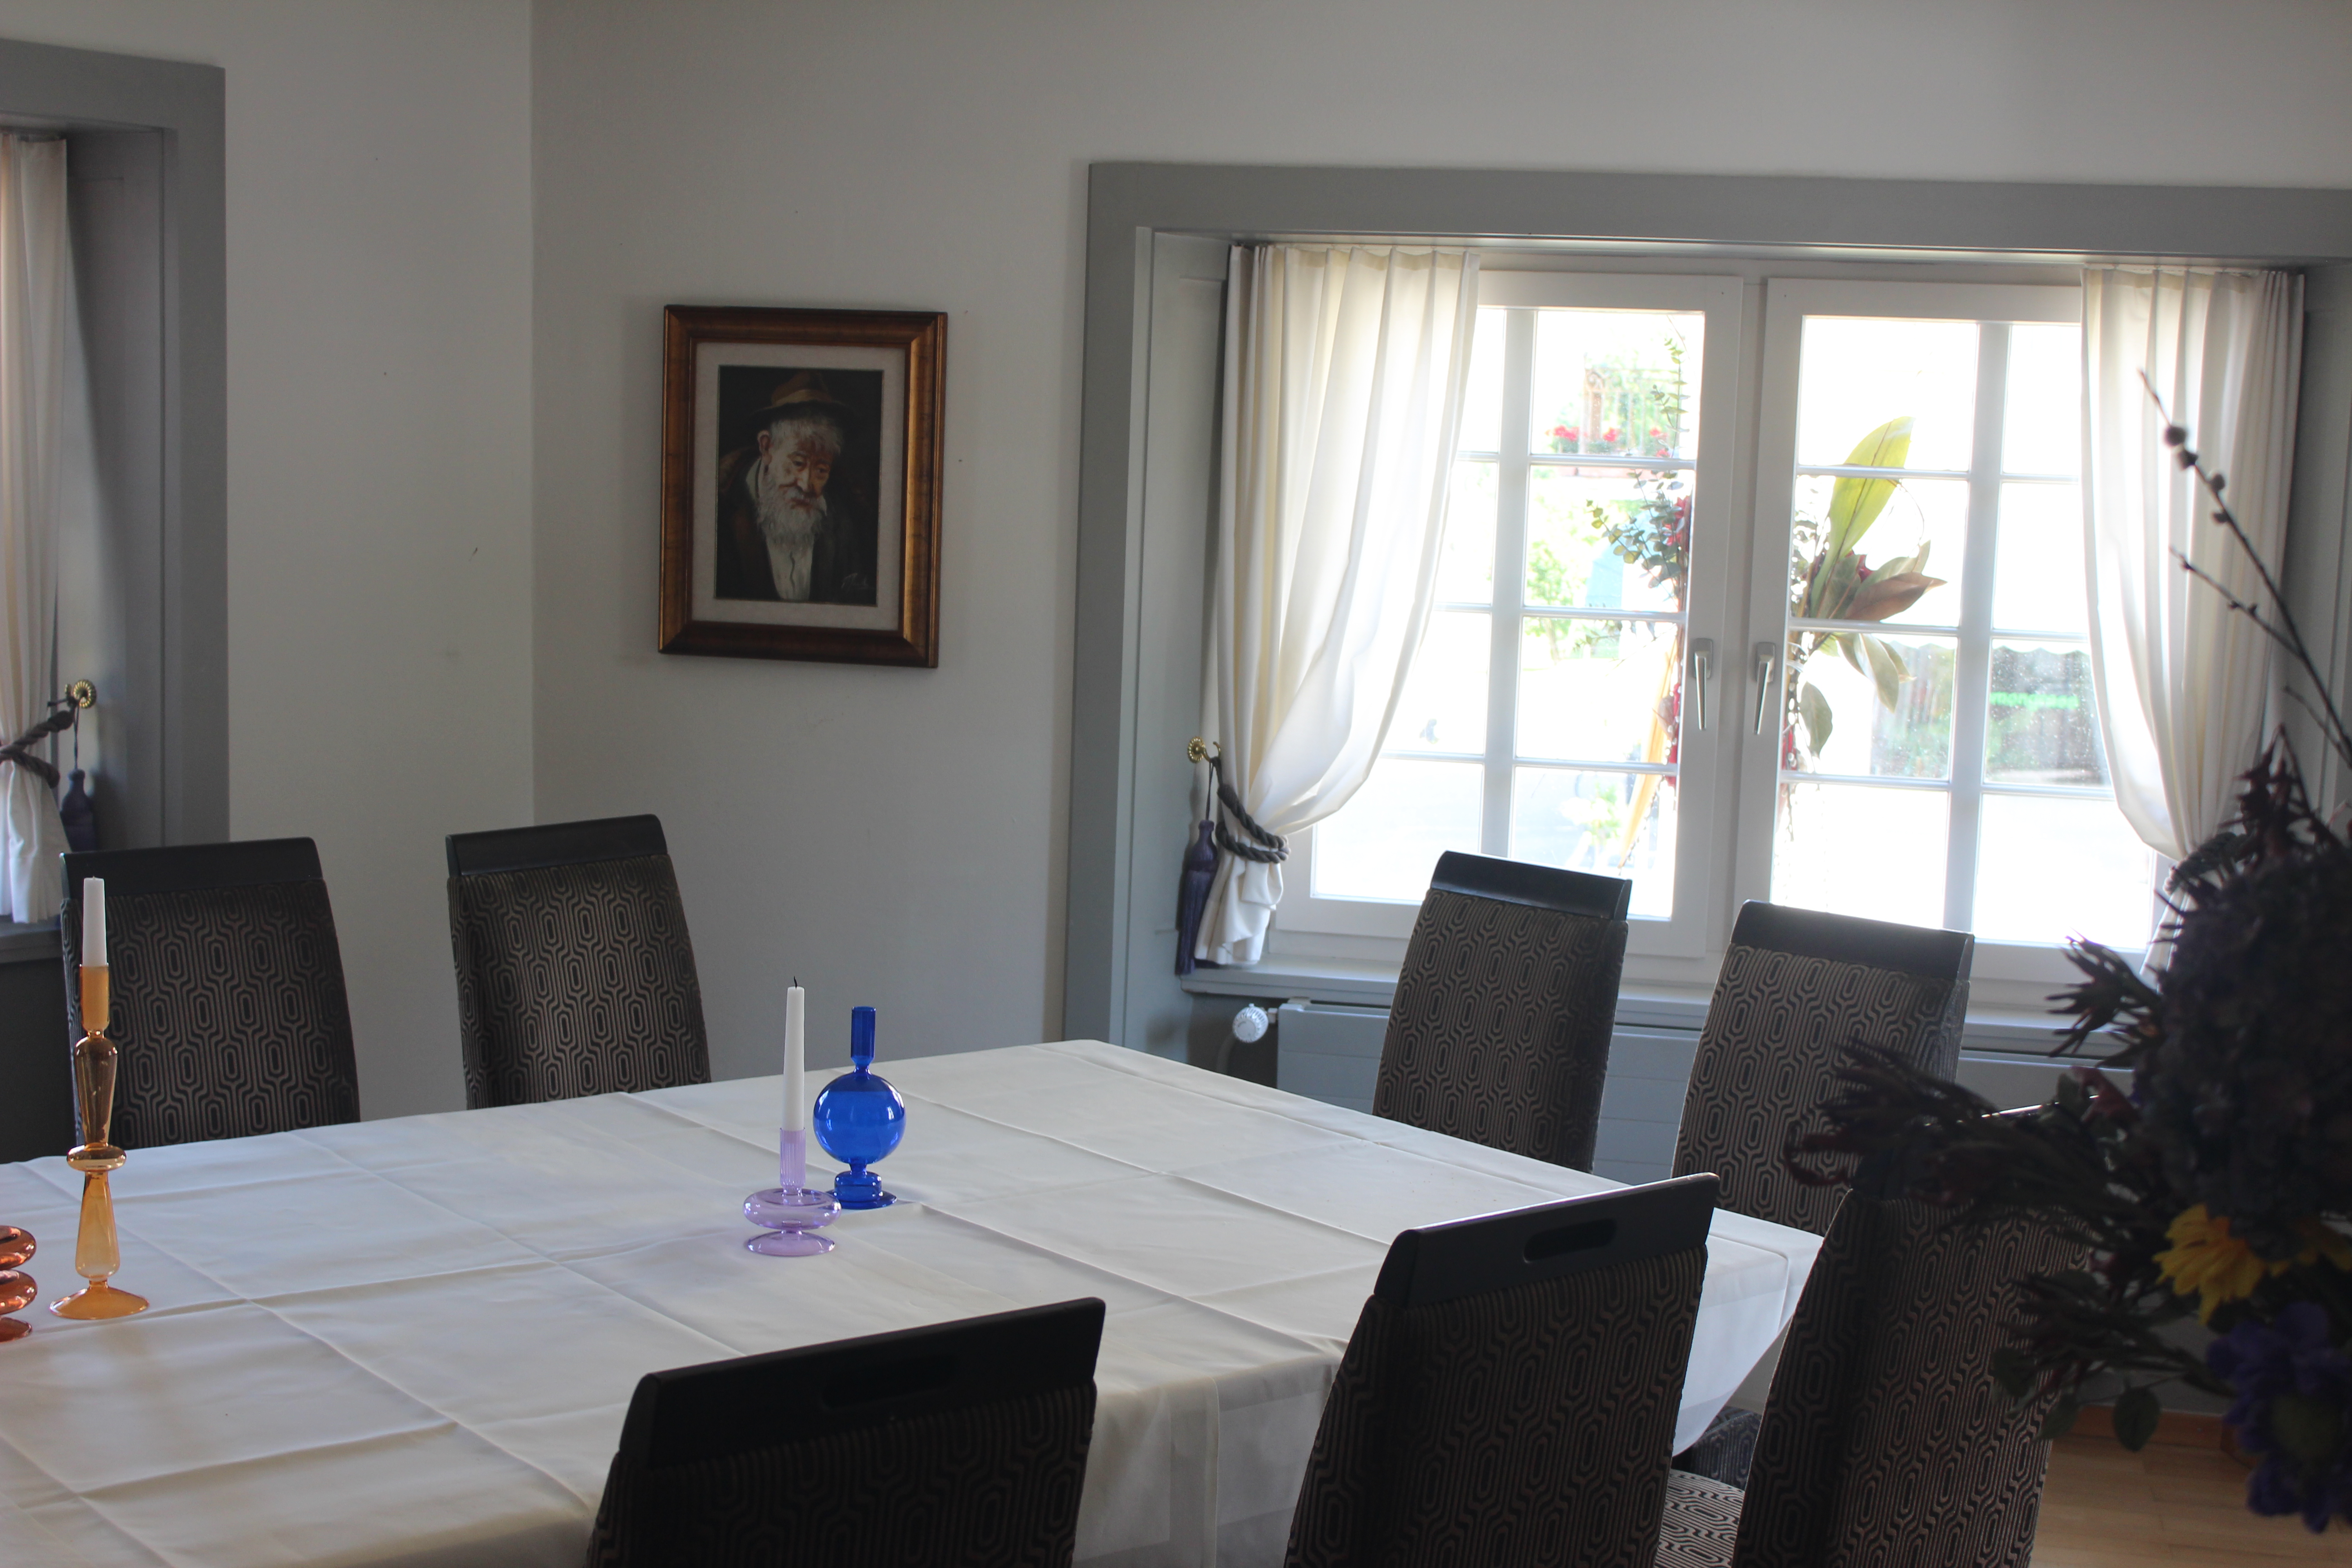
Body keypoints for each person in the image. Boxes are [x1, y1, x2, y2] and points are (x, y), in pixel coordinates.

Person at [712, 370, 877, 604]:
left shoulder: (847, 517)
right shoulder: (719, 507)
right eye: (798, 463)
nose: (807, 485)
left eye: (821, 470)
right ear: (767, 448)